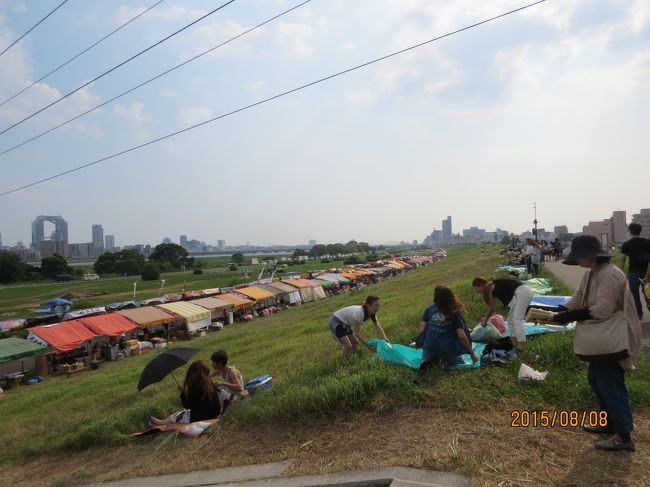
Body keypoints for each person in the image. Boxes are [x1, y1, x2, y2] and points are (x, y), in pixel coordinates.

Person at [544, 235, 641, 452]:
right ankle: (609, 424)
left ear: (589, 256)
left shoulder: (609, 275)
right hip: (603, 340)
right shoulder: (591, 274)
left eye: (578, 257)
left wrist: (568, 316)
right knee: (597, 380)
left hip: (613, 338)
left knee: (611, 385)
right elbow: (576, 300)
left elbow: (601, 310)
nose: (577, 261)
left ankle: (624, 436)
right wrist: (556, 312)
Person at [415, 286, 476, 373]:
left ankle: (428, 360)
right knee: (456, 363)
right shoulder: (454, 312)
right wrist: (472, 354)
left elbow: (421, 331)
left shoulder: (428, 309)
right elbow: (462, 336)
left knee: (429, 357)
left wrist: (418, 342)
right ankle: (445, 363)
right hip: (448, 349)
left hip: (429, 347)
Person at [150, 360, 223, 426]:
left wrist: (182, 393)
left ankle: (162, 423)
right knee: (184, 413)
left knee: (178, 416)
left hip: (201, 417)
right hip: (213, 414)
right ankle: (166, 420)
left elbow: (188, 405)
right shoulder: (209, 383)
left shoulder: (196, 386)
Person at [472, 276, 533, 351]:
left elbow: (491, 308)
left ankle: (521, 344)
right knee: (510, 320)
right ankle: (514, 341)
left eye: (476, 288)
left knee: (517, 318)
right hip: (520, 293)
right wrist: (486, 319)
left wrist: (485, 321)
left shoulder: (491, 287)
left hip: (523, 292)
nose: (476, 291)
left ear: (481, 285)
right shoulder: (491, 288)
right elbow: (493, 308)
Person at [620, 223, 650, 320]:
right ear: (640, 231)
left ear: (630, 231)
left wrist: (619, 272)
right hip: (648, 271)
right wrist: (647, 275)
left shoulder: (626, 244)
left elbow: (623, 259)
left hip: (634, 272)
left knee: (634, 293)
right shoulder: (648, 242)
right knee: (648, 292)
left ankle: (639, 314)